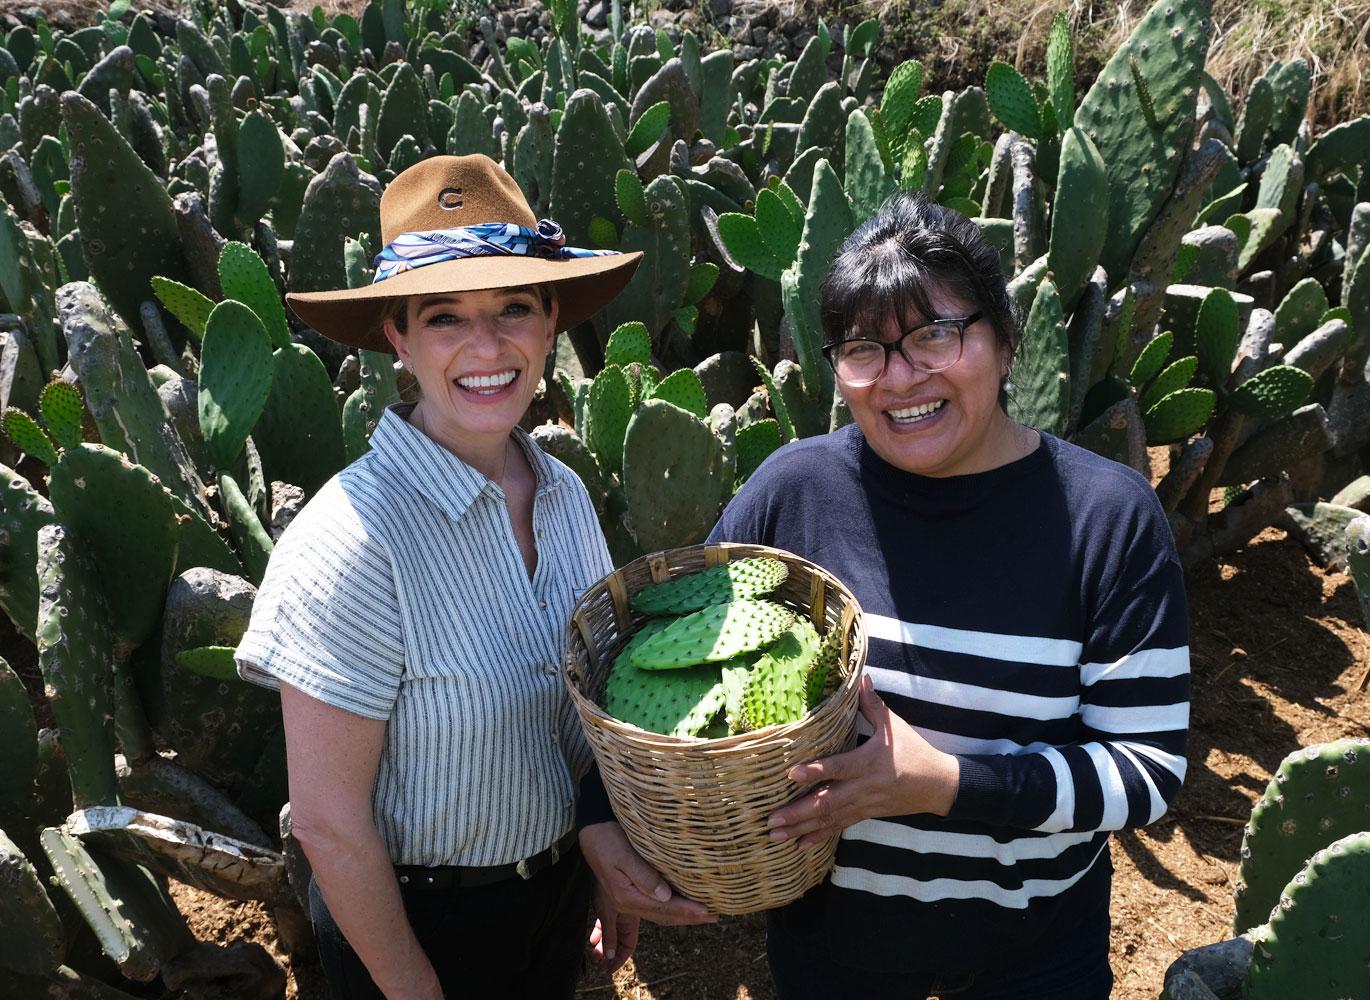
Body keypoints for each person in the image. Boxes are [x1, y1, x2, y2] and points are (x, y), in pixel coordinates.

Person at [581, 191, 1190, 998]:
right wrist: (600, 817)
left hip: (1033, 951)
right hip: (835, 947)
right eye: (865, 348)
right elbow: (648, 658)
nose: (902, 377)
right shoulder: (793, 493)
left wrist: (937, 782)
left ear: (1006, 342)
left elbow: (1144, 770)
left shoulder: (1107, 518)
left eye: (936, 334)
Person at [234, 154, 700, 1000]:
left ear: (551, 320)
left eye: (514, 308)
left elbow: (588, 712)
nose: (488, 347)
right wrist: (414, 987)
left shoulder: (564, 496)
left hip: (551, 900)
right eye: (445, 317)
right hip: (413, 932)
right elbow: (331, 826)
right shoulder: (353, 542)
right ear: (398, 338)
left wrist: (595, 860)